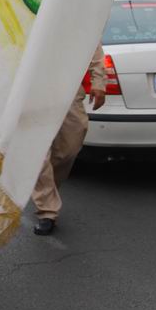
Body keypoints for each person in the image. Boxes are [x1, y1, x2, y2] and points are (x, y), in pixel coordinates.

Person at [31, 46, 107, 235]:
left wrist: (99, 81)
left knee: (69, 149)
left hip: (68, 88)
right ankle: (47, 210)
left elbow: (91, 42)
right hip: (30, 90)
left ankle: (47, 190)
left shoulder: (72, 16)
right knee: (38, 152)